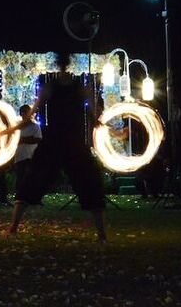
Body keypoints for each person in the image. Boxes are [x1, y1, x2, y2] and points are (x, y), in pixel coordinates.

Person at [9, 52, 108, 242]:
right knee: (88, 184)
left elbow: (30, 116)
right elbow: (95, 118)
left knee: (34, 181)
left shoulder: (54, 87)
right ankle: (102, 235)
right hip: (67, 141)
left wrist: (7, 131)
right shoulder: (75, 87)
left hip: (60, 141)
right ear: (68, 64)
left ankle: (13, 228)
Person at [11, 105, 42, 189]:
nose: (25, 115)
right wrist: (27, 139)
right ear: (21, 114)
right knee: (20, 177)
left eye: (27, 113)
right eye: (23, 113)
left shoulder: (35, 126)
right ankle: (20, 198)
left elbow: (38, 139)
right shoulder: (16, 127)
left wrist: (22, 139)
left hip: (31, 156)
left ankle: (32, 197)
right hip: (20, 157)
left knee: (32, 178)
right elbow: (13, 140)